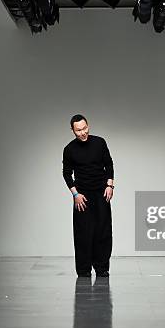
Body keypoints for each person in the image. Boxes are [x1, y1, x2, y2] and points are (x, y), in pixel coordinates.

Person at [62, 114, 114, 278]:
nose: (83, 132)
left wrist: (110, 185)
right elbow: (66, 173)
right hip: (82, 195)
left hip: (101, 192)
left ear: (88, 125)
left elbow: (109, 164)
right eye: (78, 130)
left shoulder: (99, 142)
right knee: (83, 233)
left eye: (85, 128)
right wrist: (75, 194)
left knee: (103, 231)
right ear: (72, 130)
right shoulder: (69, 149)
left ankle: (102, 268)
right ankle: (83, 270)